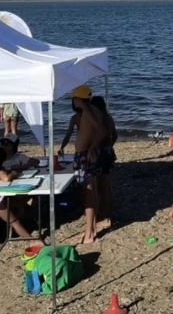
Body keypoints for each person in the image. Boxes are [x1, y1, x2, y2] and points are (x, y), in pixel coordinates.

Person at [65, 85, 106, 244]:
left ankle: (89, 234)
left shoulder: (88, 111)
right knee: (92, 192)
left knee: (88, 195)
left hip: (84, 156)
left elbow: (102, 131)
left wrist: (92, 147)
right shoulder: (93, 110)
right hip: (86, 155)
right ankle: (92, 229)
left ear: (78, 99)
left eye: (74, 98)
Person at [0, 147, 40, 243]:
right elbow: (6, 179)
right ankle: (32, 241)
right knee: (15, 221)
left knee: (19, 204)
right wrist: (14, 174)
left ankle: (11, 231)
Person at [91, 96, 118, 231]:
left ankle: (103, 215)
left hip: (99, 152)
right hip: (108, 152)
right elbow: (115, 135)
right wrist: (110, 145)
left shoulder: (97, 119)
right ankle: (107, 213)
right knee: (106, 184)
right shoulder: (108, 117)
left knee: (98, 185)